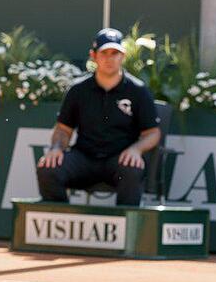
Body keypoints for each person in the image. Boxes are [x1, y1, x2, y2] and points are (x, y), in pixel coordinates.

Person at [36, 28, 161, 206]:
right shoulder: (78, 90)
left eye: (115, 53)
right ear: (93, 56)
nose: (110, 59)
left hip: (119, 160)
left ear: (123, 56)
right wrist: (56, 148)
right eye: (104, 53)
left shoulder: (138, 90)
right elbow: (63, 129)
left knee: (133, 168)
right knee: (48, 168)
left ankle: (127, 228)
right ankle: (60, 225)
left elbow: (153, 133)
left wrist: (136, 150)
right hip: (84, 158)